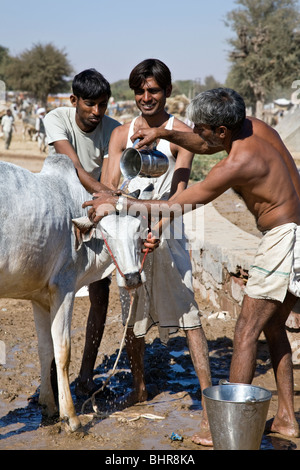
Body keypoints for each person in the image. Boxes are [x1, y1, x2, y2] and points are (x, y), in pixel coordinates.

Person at [85, 87, 300, 439]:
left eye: (201, 128)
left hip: (283, 239)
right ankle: (287, 419)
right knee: (273, 327)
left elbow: (179, 204)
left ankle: (227, 430)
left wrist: (119, 203)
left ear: (221, 132)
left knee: (246, 331)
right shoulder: (254, 127)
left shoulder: (236, 164)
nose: (196, 135)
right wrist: (163, 132)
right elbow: (203, 143)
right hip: (297, 230)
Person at [101, 58, 212, 447]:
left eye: (154, 90)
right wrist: (114, 217)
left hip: (168, 232)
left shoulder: (179, 132)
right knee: (131, 312)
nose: (146, 98)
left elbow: (180, 194)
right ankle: (139, 386)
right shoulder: (120, 135)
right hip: (130, 234)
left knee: (188, 312)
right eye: (141, 91)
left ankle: (206, 397)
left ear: (166, 92)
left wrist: (158, 231)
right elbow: (109, 187)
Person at [44, 69, 122, 398]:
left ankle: (87, 374)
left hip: (96, 208)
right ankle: (49, 381)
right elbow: (73, 166)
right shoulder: (56, 118)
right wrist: (114, 198)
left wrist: (106, 201)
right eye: (89, 104)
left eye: (103, 105)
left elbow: (111, 171)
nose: (96, 112)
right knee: (51, 291)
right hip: (59, 207)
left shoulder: (114, 129)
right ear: (74, 100)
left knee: (100, 289)